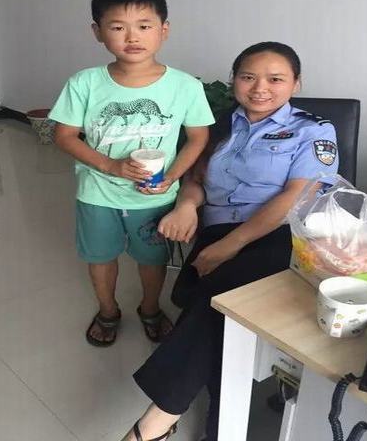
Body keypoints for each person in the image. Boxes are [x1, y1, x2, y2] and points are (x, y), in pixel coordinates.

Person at [121, 41, 339, 441]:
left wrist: (229, 245)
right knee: (223, 317)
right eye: (248, 77)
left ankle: (153, 425)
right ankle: (218, 429)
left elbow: (295, 198)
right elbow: (196, 180)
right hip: (216, 232)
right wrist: (186, 205)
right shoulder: (218, 126)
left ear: (296, 83)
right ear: (234, 80)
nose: (260, 88)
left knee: (216, 302)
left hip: (280, 236)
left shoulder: (313, 131)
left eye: (276, 79)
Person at [50, 0, 214, 347]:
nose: (132, 37)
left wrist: (171, 176)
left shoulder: (185, 86)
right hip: (97, 193)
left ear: (163, 30)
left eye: (144, 26)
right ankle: (107, 310)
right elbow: (64, 135)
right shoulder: (84, 83)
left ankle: (150, 308)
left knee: (151, 258)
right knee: (100, 257)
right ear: (97, 32)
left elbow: (198, 137)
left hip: (154, 195)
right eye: (117, 27)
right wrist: (110, 166)